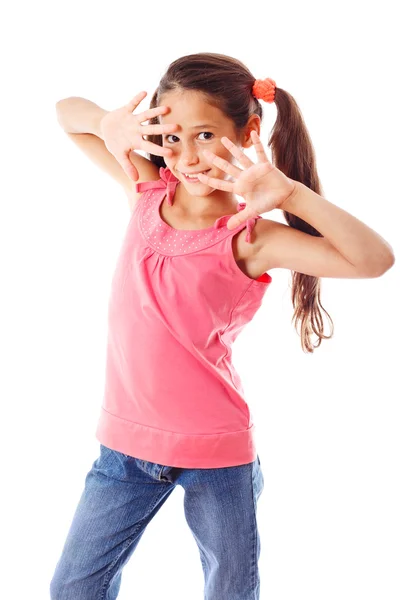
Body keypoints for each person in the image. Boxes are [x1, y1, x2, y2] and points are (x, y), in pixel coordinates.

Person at [51, 52, 395, 600]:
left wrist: (292, 194)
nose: (186, 157)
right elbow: (65, 114)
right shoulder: (145, 190)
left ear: (249, 130)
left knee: (231, 592)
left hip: (217, 457)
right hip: (123, 449)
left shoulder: (250, 237)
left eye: (206, 134)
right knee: (73, 588)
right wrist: (106, 122)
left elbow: (374, 259)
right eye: (171, 137)